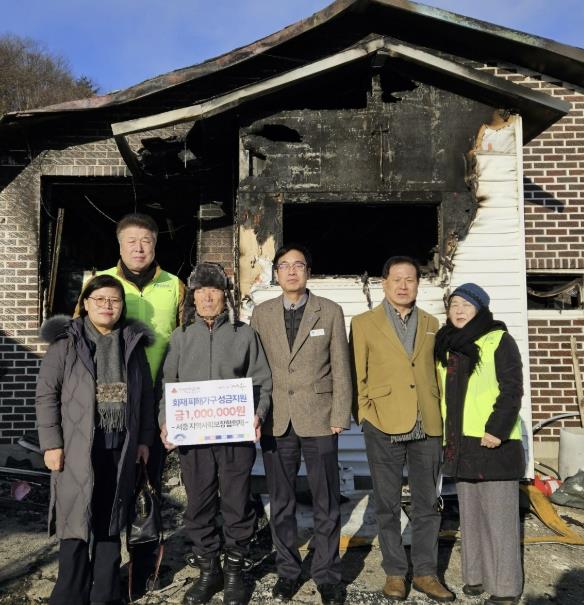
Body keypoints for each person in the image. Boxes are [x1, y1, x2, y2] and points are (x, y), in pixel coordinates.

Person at [82, 212, 186, 593]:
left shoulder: (175, 285)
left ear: (155, 244)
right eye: (131, 241)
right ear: (120, 245)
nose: (139, 248)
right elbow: (81, 338)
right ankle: (101, 571)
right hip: (107, 406)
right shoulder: (101, 284)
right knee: (104, 486)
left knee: (147, 486)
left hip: (155, 399)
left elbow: (185, 336)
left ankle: (141, 573)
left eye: (146, 241)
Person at [36, 274, 155, 605]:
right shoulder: (66, 344)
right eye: (100, 299)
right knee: (75, 521)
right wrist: (51, 444)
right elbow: (46, 395)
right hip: (75, 449)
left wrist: (144, 439)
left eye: (114, 300)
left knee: (110, 520)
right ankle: (70, 593)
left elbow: (145, 395)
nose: (107, 306)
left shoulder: (131, 344)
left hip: (120, 446)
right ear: (85, 303)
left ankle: (105, 592)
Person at [159, 262, 272, 605]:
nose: (208, 297)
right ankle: (210, 570)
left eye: (214, 291)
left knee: (237, 502)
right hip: (194, 440)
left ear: (225, 296)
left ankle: (235, 568)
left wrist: (258, 414)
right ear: (193, 297)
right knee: (199, 503)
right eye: (201, 291)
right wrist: (166, 420)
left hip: (235, 438)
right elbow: (168, 385)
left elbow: (263, 383)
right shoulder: (180, 337)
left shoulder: (245, 334)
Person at [250, 244, 352, 605]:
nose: (291, 271)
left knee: (326, 500)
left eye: (298, 265)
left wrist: (341, 414)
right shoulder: (261, 314)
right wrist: (255, 413)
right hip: (277, 420)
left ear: (309, 271)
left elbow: (342, 367)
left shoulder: (331, 311)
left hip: (321, 418)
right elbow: (256, 370)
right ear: (276, 273)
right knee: (281, 500)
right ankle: (288, 571)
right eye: (284, 266)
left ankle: (326, 574)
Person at [350, 256, 454, 603]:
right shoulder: (364, 323)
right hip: (382, 421)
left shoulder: (432, 323)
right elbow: (357, 374)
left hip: (427, 422)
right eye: (397, 279)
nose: (403, 285)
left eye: (410, 279)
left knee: (427, 503)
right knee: (387, 503)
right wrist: (364, 414)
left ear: (418, 284)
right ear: (384, 283)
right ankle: (395, 573)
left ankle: (425, 572)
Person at [435, 283, 524, 605]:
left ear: (480, 309)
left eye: (466, 305)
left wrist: (497, 429)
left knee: (499, 521)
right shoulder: (447, 345)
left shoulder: (498, 340)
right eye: (454, 305)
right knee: (470, 518)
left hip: (492, 443)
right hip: (460, 443)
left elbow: (512, 388)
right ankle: (475, 578)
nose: (458, 311)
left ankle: (505, 588)